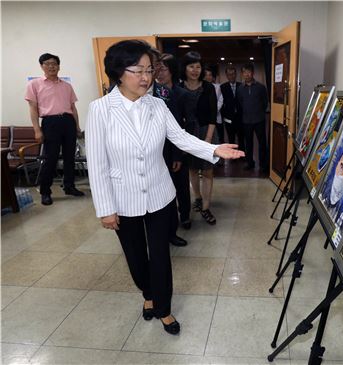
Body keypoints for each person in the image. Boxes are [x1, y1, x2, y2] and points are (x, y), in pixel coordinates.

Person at [86, 40, 243, 335]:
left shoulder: (158, 105)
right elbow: (97, 164)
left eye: (150, 70)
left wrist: (213, 149)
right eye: (138, 71)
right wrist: (105, 209)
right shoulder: (100, 110)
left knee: (160, 255)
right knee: (135, 258)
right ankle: (148, 293)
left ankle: (164, 308)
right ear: (119, 72)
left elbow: (181, 138)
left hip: (160, 194)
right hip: (123, 197)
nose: (146, 77)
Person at [25, 53, 85, 205]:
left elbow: (73, 107)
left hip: (68, 121)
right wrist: (37, 130)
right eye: (47, 63)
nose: (51, 66)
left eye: (54, 63)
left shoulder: (66, 86)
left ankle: (69, 186)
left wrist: (77, 126)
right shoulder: (35, 85)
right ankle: (45, 191)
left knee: (69, 157)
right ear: (42, 66)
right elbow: (32, 109)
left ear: (59, 66)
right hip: (50, 123)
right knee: (50, 158)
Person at [152, 53, 191, 247]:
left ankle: (182, 220)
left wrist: (179, 154)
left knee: (179, 188)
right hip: (154, 151)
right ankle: (163, 229)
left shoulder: (181, 94)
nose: (158, 72)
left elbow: (183, 127)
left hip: (174, 150)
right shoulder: (148, 92)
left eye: (163, 68)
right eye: (155, 68)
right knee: (161, 193)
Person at [180, 52, 219, 225]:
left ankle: (206, 207)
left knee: (208, 171)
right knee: (193, 169)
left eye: (198, 66)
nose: (195, 70)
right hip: (187, 134)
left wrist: (207, 141)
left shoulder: (208, 87)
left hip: (206, 132)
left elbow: (212, 116)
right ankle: (197, 197)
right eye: (191, 66)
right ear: (185, 68)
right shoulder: (179, 87)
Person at [237, 63, 269, 172]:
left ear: (253, 73)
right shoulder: (240, 89)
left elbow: (265, 103)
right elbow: (240, 103)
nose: (246, 74)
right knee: (248, 143)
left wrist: (259, 111)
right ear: (242, 74)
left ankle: (263, 164)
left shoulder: (261, 87)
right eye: (244, 72)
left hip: (259, 119)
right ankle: (250, 162)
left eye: (248, 72)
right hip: (246, 120)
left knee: (262, 143)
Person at [220, 65, 243, 149]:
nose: (231, 76)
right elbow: (221, 103)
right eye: (229, 74)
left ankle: (241, 155)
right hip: (228, 118)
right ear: (226, 76)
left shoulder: (241, 86)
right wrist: (223, 116)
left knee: (241, 137)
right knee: (231, 138)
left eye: (233, 74)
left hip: (240, 117)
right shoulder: (222, 87)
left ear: (236, 74)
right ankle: (233, 156)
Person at [203, 66, 224, 145]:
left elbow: (221, 100)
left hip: (217, 116)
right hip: (205, 118)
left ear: (213, 77)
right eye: (206, 75)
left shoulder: (218, 87)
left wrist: (214, 110)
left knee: (219, 138)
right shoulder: (201, 87)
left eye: (210, 75)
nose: (208, 77)